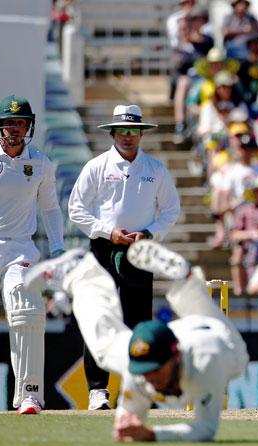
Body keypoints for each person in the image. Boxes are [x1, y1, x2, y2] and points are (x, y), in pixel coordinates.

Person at [23, 241, 248, 441]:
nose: (149, 378)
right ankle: (82, 272)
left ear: (175, 357)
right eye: (144, 370)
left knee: (237, 354)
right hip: (172, 335)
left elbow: (205, 429)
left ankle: (187, 282)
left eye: (155, 370)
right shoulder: (139, 370)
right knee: (104, 349)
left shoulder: (208, 364)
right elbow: (129, 420)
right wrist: (126, 425)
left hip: (217, 337)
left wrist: (152, 435)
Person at [68, 105, 181, 410]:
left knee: (137, 321)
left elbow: (171, 210)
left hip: (139, 251)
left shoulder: (155, 169)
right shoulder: (97, 166)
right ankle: (97, 390)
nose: (128, 137)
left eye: (133, 131)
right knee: (100, 317)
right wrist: (107, 232)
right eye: (122, 131)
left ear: (141, 133)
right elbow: (77, 209)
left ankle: (135, 388)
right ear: (113, 133)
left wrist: (150, 233)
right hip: (104, 249)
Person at [0, 95, 65, 415]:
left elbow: (50, 209)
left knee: (25, 309)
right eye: (9, 123)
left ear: (29, 126)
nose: (14, 129)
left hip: (21, 248)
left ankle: (29, 394)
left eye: (20, 123)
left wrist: (59, 250)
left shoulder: (40, 162)